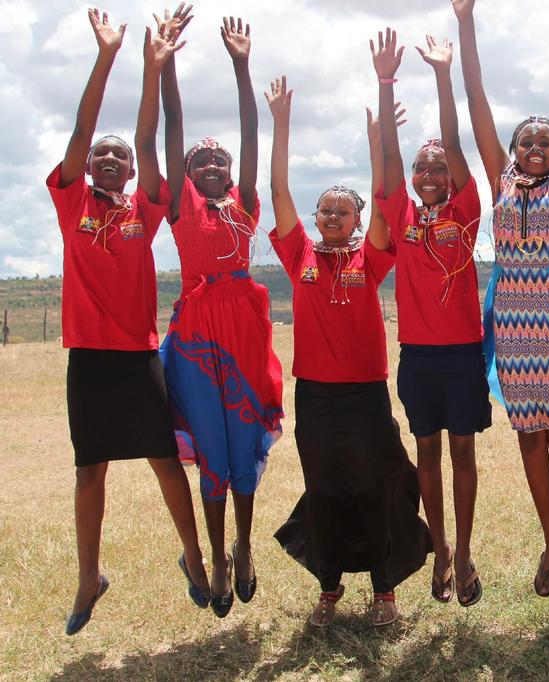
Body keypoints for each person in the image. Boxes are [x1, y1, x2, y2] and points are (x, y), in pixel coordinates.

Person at [47, 8, 210, 635]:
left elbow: (146, 134)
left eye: (120, 155)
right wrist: (108, 54)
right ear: (89, 166)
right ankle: (90, 577)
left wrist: (152, 66)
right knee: (90, 471)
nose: (111, 157)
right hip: (88, 358)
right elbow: (84, 124)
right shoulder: (72, 203)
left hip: (138, 355)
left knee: (167, 463)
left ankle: (195, 560)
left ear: (134, 172)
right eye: (102, 155)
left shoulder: (145, 208)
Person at [453, 0, 549, 598]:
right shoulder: (499, 179)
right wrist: (465, 22)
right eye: (527, 140)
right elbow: (478, 103)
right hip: (511, 321)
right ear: (514, 151)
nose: (536, 145)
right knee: (527, 434)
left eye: (546, 140)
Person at [266, 76, 431, 628]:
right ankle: (329, 586)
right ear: (315, 220)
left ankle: (384, 588)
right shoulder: (299, 256)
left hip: (364, 395)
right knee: (325, 490)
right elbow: (278, 193)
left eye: (344, 212)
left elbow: (385, 196)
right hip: (314, 396)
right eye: (325, 212)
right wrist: (281, 123)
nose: (333, 218)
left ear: (358, 220)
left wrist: (376, 139)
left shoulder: (373, 259)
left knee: (375, 484)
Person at [159, 13, 284, 618]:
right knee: (211, 450)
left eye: (221, 163)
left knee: (243, 447)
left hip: (244, 330)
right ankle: (211, 557)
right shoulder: (182, 211)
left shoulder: (244, 205)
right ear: (186, 176)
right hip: (195, 338)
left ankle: (244, 546)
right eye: (200, 163)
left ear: (233, 176)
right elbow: (172, 128)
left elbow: (250, 131)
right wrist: (168, 66)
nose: (212, 166)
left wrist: (242, 67)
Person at [372, 29, 490, 607]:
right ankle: (439, 548)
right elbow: (391, 162)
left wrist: (444, 77)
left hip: (464, 353)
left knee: (463, 451)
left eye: (438, 167)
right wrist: (386, 80)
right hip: (418, 357)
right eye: (424, 167)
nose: (430, 174)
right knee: (427, 453)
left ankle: (465, 551)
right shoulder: (400, 214)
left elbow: (456, 142)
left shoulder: (466, 212)